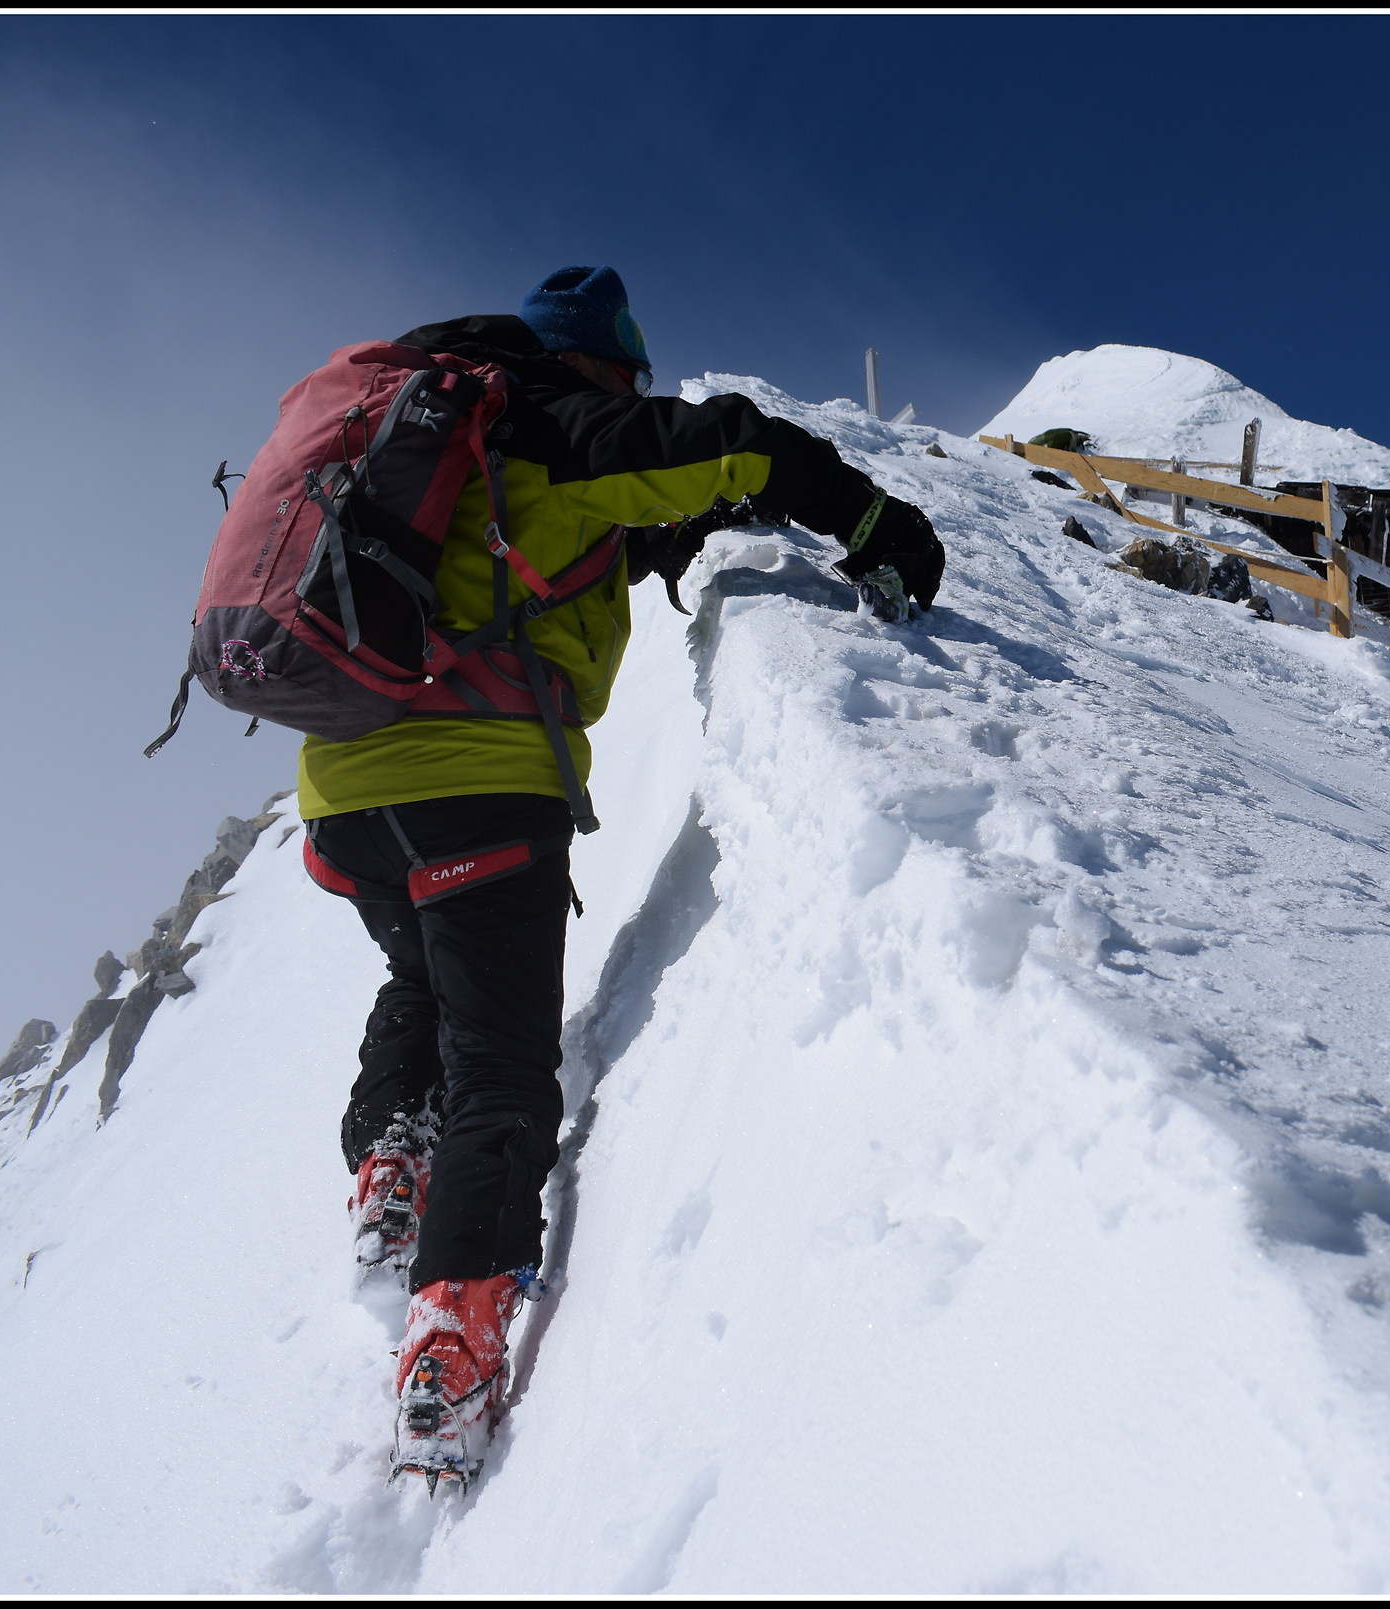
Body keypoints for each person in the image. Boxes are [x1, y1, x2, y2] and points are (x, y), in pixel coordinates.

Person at [296, 266, 943, 1487]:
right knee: (502, 1061)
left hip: (344, 795)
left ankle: (391, 1159)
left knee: (423, 971)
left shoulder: (439, 440)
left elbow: (570, 546)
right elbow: (741, 448)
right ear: (599, 364)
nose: (640, 392)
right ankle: (454, 1333)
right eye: (632, 375)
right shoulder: (563, 425)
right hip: (480, 784)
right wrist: (876, 527)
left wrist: (667, 536)